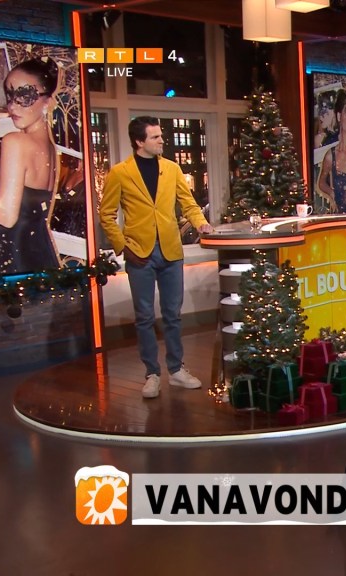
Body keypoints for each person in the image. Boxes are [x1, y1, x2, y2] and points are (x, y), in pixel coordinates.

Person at [99, 116, 214, 398]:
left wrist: (201, 223)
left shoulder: (171, 169)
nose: (162, 140)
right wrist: (123, 246)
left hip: (171, 251)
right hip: (139, 253)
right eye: (155, 137)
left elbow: (188, 204)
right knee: (144, 317)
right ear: (139, 141)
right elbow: (106, 214)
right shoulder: (120, 173)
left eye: (161, 135)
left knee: (173, 315)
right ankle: (152, 374)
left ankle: (176, 370)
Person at [0, 57, 62, 274]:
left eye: (24, 96)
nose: (13, 105)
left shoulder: (15, 142)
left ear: (47, 102)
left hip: (12, 258)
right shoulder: (50, 149)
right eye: (10, 96)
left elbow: (6, 218)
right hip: (40, 256)